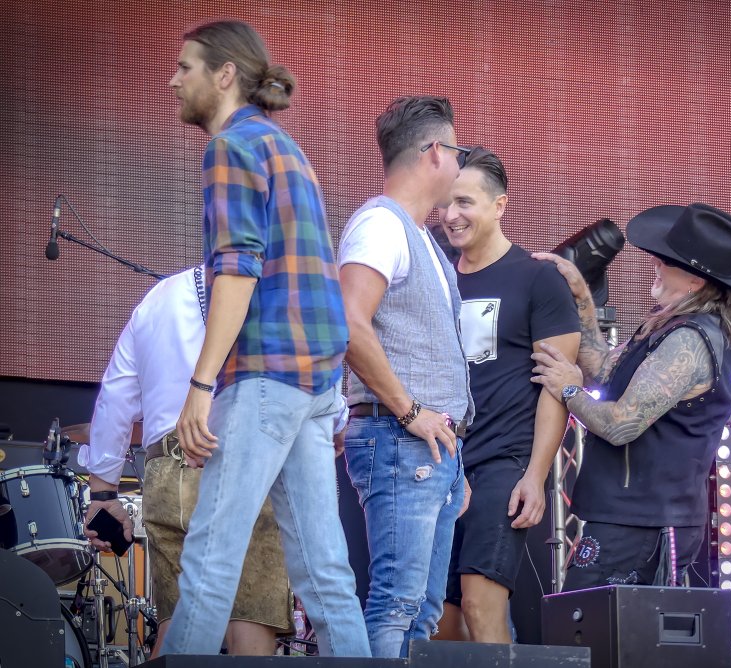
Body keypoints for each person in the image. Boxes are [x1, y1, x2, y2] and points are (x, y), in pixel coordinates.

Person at [160, 20, 369, 657]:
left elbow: (237, 269)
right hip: (313, 380)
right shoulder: (288, 150)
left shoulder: (230, 147)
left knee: (210, 560)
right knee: (325, 573)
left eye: (186, 67)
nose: (174, 81)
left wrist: (200, 384)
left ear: (225, 74)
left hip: (265, 375)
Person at [531, 202, 731, 590]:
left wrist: (568, 389)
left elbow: (621, 425)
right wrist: (581, 295)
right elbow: (603, 370)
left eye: (666, 260)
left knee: (588, 620)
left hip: (645, 521)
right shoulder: (671, 327)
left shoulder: (689, 340)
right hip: (631, 518)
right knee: (591, 619)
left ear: (695, 282)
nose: (655, 264)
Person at [79, 266, 297, 657]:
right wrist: (336, 421)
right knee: (249, 622)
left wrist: (104, 494)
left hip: (164, 473)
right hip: (235, 459)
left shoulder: (157, 299)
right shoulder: (267, 288)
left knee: (176, 628)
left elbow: (114, 396)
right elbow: (298, 374)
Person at [338, 94, 472, 658]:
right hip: (400, 438)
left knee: (421, 610)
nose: (460, 163)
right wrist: (411, 411)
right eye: (459, 151)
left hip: (431, 448)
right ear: (435, 151)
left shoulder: (420, 237)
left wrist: (452, 458)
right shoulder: (381, 224)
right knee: (397, 601)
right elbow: (349, 322)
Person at [435, 147, 580, 642]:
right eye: (445, 202)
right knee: (439, 622)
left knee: (481, 604)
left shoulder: (538, 278)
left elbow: (556, 389)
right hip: (440, 459)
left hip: (503, 461)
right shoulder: (436, 273)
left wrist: (536, 475)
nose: (451, 215)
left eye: (465, 202)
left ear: (500, 205)